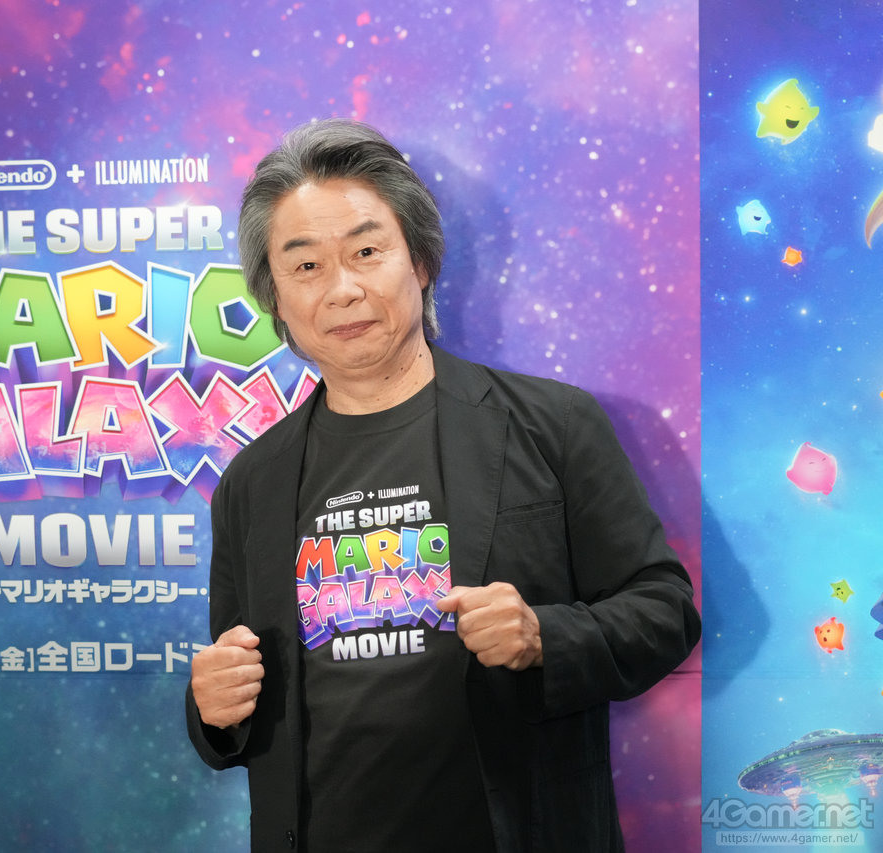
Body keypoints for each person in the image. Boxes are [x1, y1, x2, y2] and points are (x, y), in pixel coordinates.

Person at [185, 118, 700, 852]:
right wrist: (211, 710)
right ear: (276, 300)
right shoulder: (249, 484)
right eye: (306, 266)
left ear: (421, 261)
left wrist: (544, 637)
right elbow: (240, 686)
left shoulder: (551, 425)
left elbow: (664, 612)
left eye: (366, 252)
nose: (343, 289)